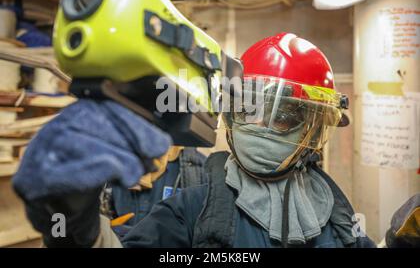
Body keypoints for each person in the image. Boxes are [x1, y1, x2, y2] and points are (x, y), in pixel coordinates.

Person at [15, 32, 379, 248]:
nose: (264, 127)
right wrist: (73, 221)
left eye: (284, 116)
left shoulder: (341, 220)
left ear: (315, 128)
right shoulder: (191, 212)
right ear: (230, 113)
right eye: (250, 110)